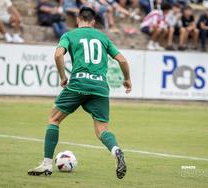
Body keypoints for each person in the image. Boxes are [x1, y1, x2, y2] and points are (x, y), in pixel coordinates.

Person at [28, 6, 132, 179]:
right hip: (100, 87)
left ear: (78, 20)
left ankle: (46, 164)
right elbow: (121, 59)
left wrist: (63, 76)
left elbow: (58, 55)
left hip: (78, 84)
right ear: (93, 22)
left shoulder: (69, 35)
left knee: (54, 119)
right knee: (102, 131)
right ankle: (116, 150)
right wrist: (127, 78)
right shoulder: (103, 37)